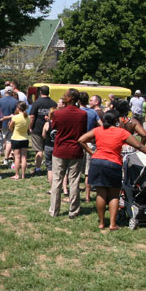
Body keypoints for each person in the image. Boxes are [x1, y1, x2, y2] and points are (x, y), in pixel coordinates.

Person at [79, 110, 146, 230]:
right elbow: (139, 145)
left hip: (97, 162)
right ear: (116, 121)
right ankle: (113, 224)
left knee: (101, 194)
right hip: (113, 163)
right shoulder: (121, 132)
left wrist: (92, 152)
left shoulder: (98, 130)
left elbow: (81, 140)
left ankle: (102, 223)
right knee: (114, 195)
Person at [49, 89, 88, 218]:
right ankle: (73, 211)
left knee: (57, 180)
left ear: (70, 98)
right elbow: (83, 131)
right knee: (74, 181)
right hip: (75, 150)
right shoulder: (82, 114)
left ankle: (54, 210)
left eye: (65, 96)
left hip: (60, 150)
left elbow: (54, 127)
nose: (64, 97)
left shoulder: (58, 114)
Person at [30, 86, 57, 173]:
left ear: (40, 92)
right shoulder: (53, 103)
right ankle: (53, 167)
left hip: (37, 128)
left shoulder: (37, 102)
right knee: (50, 148)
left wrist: (30, 126)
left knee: (39, 149)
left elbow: (32, 116)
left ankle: (38, 168)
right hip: (50, 129)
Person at [9, 102, 30, 179]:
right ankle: (23, 175)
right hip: (25, 138)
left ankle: (17, 174)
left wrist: (10, 125)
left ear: (18, 108)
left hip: (16, 138)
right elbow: (28, 128)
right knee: (24, 157)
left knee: (17, 158)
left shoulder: (15, 117)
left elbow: (11, 128)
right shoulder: (28, 117)